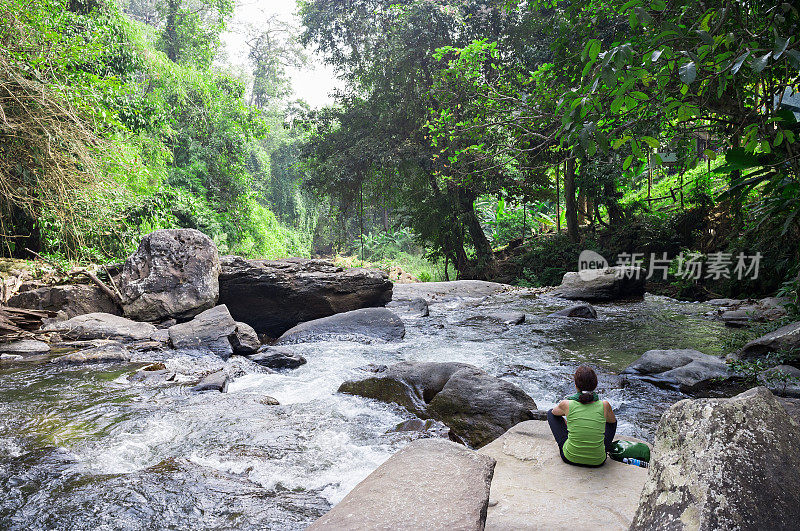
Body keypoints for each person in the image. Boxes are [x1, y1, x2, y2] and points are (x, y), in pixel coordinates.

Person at [547, 365, 617, 467]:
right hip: (598, 461)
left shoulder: (567, 404)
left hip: (570, 458)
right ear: (595, 385)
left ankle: (574, 445)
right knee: (612, 422)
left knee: (550, 413)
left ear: (576, 385)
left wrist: (570, 421)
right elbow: (612, 423)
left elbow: (554, 413)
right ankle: (601, 448)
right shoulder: (604, 405)